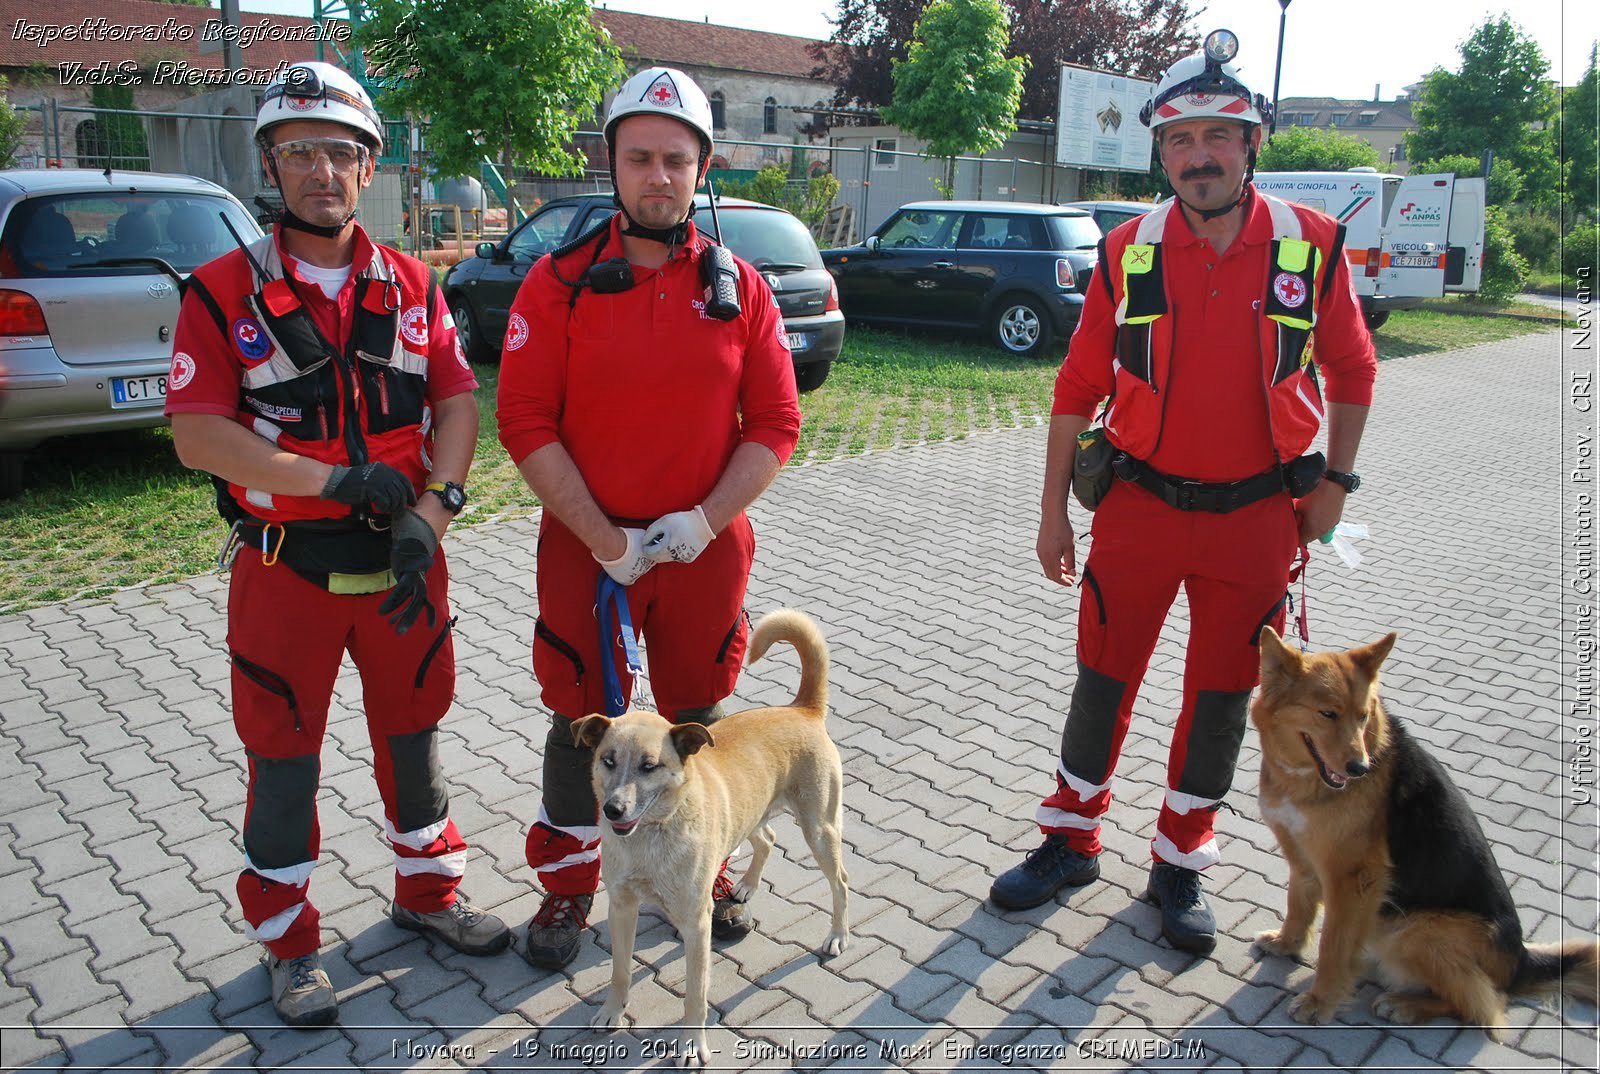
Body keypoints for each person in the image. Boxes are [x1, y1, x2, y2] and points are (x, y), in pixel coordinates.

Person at [988, 31, 1378, 955]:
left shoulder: (1310, 246)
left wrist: (1338, 486)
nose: (1199, 156)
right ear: (1159, 151)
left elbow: (1355, 370)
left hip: (1255, 520)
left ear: (1252, 146)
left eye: (1220, 136)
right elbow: (1075, 388)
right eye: (1180, 140)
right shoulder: (1128, 250)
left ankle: (1179, 860)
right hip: (1139, 512)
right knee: (1101, 684)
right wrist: (1050, 511)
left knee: (1217, 700)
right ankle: (1070, 840)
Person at [165, 61, 509, 1027]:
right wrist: (333, 482)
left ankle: (430, 897)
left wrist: (430, 519)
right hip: (287, 573)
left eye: (341, 152)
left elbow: (454, 403)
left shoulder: (412, 283)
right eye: (300, 151)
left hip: (405, 563)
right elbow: (199, 433)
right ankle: (287, 945)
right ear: (270, 165)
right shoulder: (222, 291)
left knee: (416, 735)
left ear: (370, 168)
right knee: (283, 756)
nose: (322, 169)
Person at [496, 65, 802, 970]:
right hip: (588, 553)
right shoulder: (557, 286)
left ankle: (693, 869)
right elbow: (523, 422)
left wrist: (703, 522)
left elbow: (778, 423)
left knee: (694, 718)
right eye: (640, 158)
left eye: (677, 159)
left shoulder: (740, 288)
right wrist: (605, 537)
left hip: (702, 555)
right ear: (612, 164)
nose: (658, 177)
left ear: (703, 168)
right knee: (581, 727)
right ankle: (566, 886)